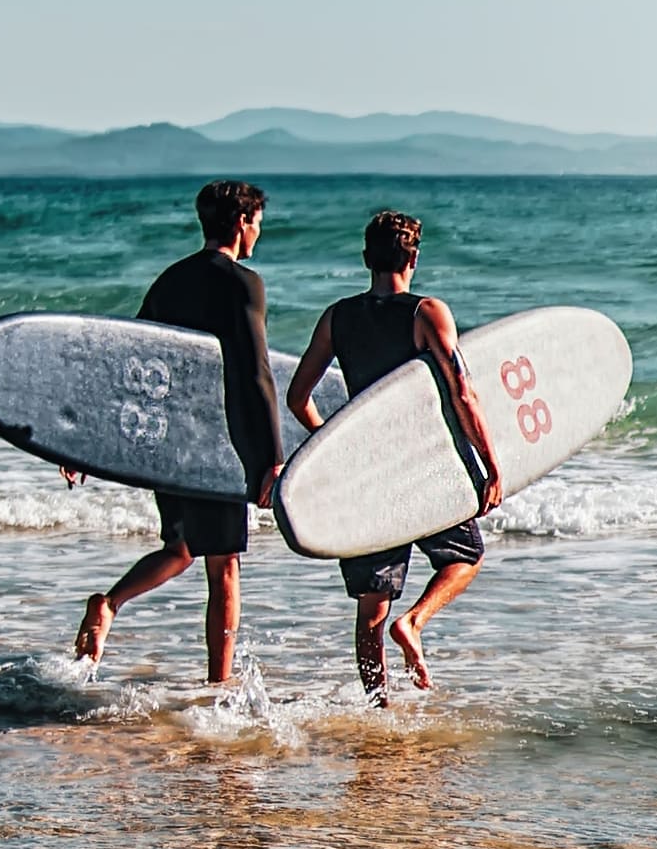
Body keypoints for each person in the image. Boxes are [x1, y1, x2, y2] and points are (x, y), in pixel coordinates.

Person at [71, 180, 280, 686]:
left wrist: (83, 440)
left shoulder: (171, 280)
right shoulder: (243, 282)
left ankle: (110, 602)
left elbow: (129, 364)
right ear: (239, 224)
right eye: (255, 222)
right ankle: (219, 685)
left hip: (167, 442)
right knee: (224, 567)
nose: (257, 232)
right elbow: (256, 373)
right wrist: (271, 457)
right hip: (214, 444)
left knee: (183, 547)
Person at [285, 209, 501, 695]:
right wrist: (490, 465)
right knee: (465, 556)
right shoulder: (426, 313)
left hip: (367, 470)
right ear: (414, 258)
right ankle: (416, 622)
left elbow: (297, 397)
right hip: (421, 464)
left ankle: (377, 707)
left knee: (371, 605)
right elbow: (462, 390)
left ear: (367, 259)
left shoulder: (337, 317)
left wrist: (333, 445)